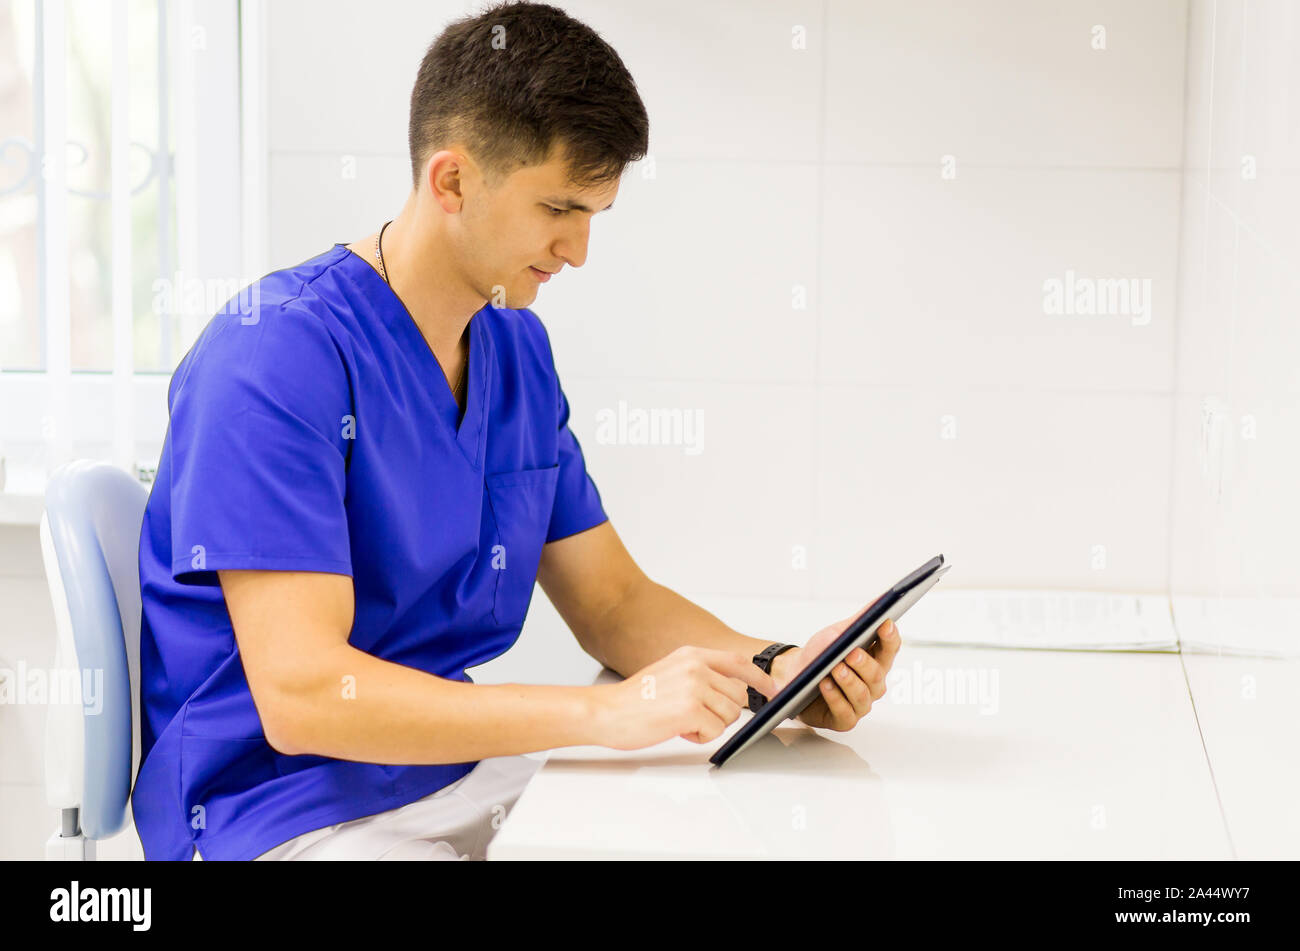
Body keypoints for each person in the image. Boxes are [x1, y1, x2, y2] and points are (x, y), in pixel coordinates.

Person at [133, 0, 902, 862]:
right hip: (277, 808)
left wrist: (782, 670)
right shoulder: (271, 356)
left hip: (448, 773)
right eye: (559, 209)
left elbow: (613, 603)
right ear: (452, 180)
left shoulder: (514, 349)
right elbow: (307, 692)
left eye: (593, 216)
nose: (577, 250)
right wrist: (606, 713)